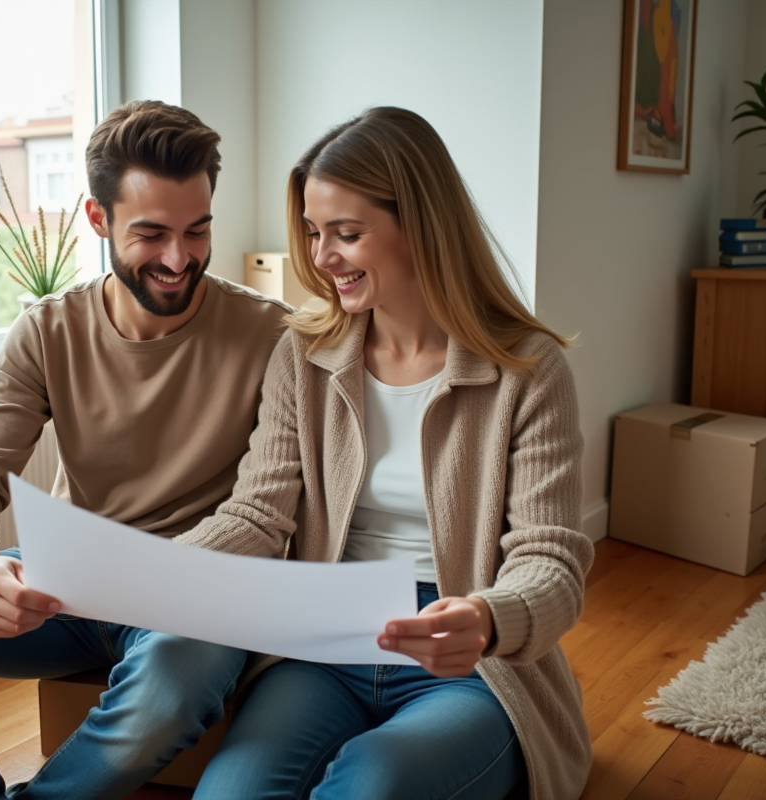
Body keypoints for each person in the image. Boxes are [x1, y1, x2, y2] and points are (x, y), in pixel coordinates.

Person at [0, 100, 290, 800]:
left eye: (197, 230)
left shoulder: (272, 335)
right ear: (97, 218)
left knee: (175, 681)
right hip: (72, 585)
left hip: (194, 595)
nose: (179, 258)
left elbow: (268, 513)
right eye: (151, 234)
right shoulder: (47, 331)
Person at [174, 107, 593, 800]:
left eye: (347, 234)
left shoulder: (528, 369)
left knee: (375, 783)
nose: (321, 257)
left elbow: (550, 558)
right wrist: (161, 569)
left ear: (422, 226)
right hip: (326, 641)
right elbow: (258, 512)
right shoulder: (302, 354)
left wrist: (488, 619)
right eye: (314, 232)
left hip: (467, 660)